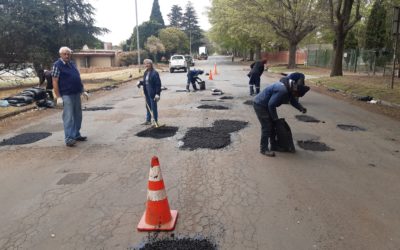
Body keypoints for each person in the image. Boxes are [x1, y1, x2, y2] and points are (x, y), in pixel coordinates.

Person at [253, 72, 310, 157]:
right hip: (260, 104)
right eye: (297, 95)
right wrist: (275, 119)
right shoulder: (282, 90)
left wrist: (300, 108)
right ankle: (263, 149)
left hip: (266, 105)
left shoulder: (291, 87)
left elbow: (292, 100)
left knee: (273, 125)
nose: (297, 97)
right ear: (296, 90)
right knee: (267, 126)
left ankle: (274, 146)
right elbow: (271, 105)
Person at [52, 47, 89, 147]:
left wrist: (83, 90)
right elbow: (54, 81)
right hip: (66, 94)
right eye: (64, 54)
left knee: (78, 116)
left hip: (76, 93)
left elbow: (77, 78)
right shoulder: (57, 65)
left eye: (68, 54)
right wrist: (58, 96)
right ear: (60, 55)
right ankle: (69, 138)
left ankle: (76, 134)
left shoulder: (72, 64)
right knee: (68, 117)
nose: (67, 56)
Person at [137, 59, 162, 125]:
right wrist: (140, 82)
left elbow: (158, 84)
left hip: (153, 93)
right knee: (148, 106)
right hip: (147, 93)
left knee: (153, 108)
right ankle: (148, 120)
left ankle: (155, 121)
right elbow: (146, 82)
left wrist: (157, 94)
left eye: (148, 63)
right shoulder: (146, 72)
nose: (146, 65)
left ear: (151, 64)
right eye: (145, 64)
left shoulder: (155, 73)